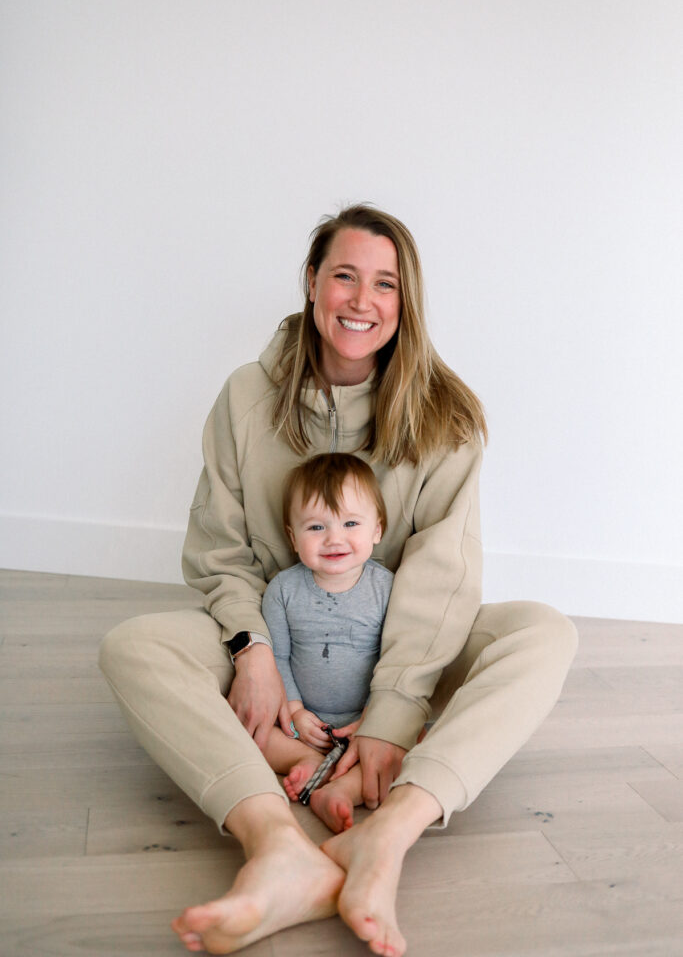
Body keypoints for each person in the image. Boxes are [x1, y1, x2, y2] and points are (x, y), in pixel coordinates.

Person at [98, 204, 578, 957]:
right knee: (134, 645)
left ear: (404, 301)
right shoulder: (245, 398)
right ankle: (275, 846)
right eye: (344, 276)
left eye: (384, 284)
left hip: (401, 657)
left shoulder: (446, 417)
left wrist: (392, 713)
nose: (361, 301)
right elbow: (220, 551)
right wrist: (253, 651)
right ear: (312, 283)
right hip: (278, 637)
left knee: (544, 632)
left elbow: (440, 578)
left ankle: (386, 835)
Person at [261, 452, 394, 833]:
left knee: (415, 737)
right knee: (249, 729)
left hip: (367, 720)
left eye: (351, 523)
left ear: (377, 530)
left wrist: (373, 717)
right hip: (302, 725)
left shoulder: (387, 589)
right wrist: (296, 711)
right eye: (316, 527)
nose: (335, 538)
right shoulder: (283, 591)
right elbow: (279, 658)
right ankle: (302, 760)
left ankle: (339, 791)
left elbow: (393, 658)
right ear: (293, 536)